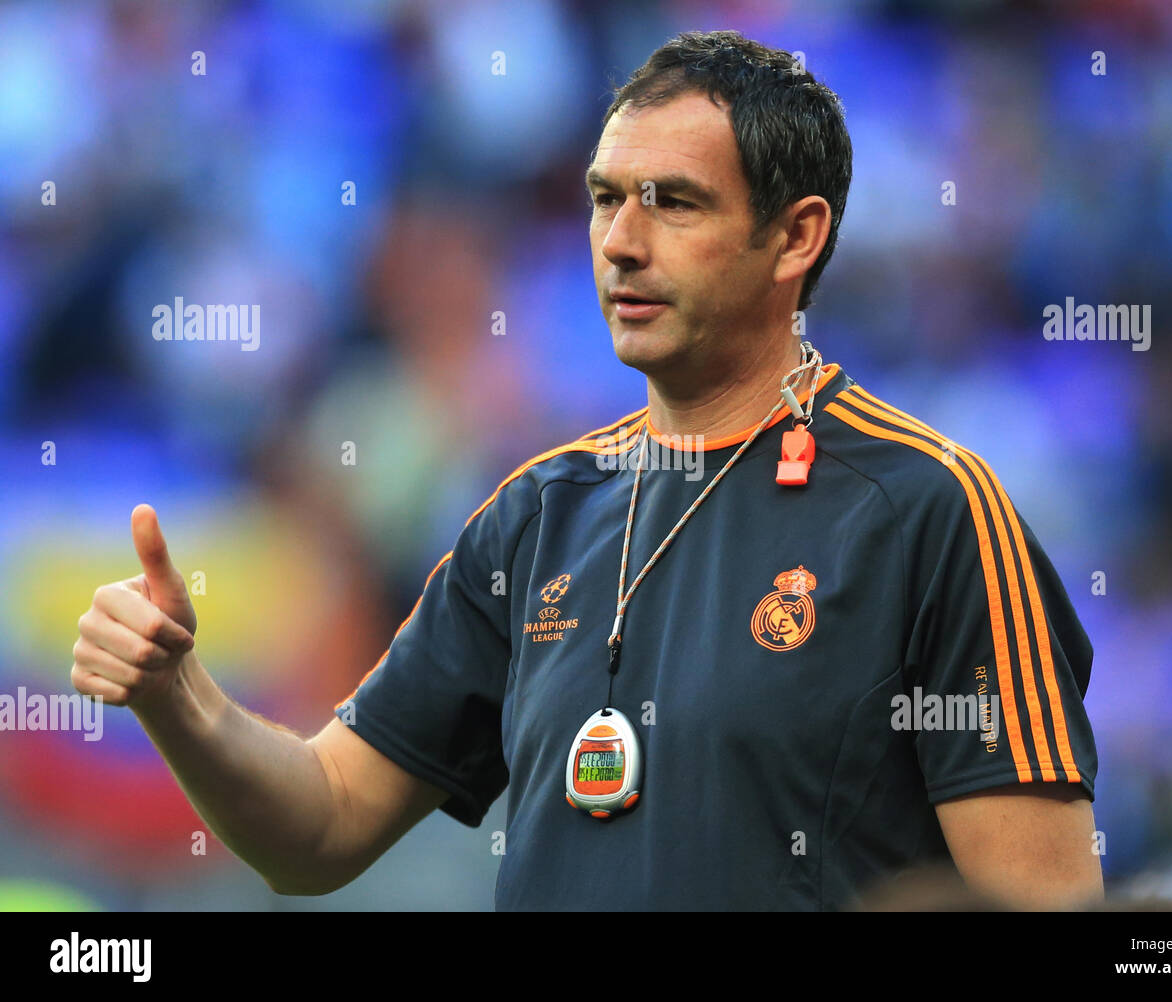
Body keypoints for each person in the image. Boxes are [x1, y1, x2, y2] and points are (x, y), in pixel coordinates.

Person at [72, 30, 1101, 911]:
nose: (618, 243)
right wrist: (178, 694)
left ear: (796, 237)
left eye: (675, 205)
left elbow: (1040, 907)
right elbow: (323, 826)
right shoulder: (535, 516)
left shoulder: (928, 508)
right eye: (605, 200)